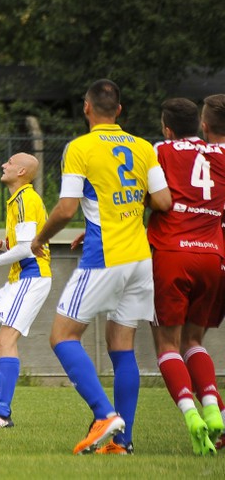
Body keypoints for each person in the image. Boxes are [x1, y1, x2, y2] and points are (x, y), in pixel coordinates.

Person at [30, 79, 172, 455]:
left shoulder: (80, 147)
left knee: (62, 336)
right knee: (120, 345)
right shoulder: (143, 147)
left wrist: (40, 239)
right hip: (140, 259)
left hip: (104, 258)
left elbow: (65, 208)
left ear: (86, 108)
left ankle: (104, 414)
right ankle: (122, 442)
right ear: (120, 111)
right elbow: (162, 200)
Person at [147, 97, 225, 456]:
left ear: (167, 127)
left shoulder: (160, 150)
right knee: (194, 341)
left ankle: (192, 415)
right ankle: (214, 407)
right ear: (201, 127)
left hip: (171, 253)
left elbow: (146, 195)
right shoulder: (220, 156)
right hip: (212, 255)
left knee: (166, 344)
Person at [0, 152, 52, 429]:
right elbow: (24, 241)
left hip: (32, 275)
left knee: (5, 340)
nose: (3, 164)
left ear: (22, 172)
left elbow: (28, 249)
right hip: (18, 276)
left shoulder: (27, 198)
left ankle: (2, 414)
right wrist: (2, 245)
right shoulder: (17, 199)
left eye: (10, 162)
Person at [196, 94, 225, 451]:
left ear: (204, 126)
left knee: (188, 341)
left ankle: (215, 412)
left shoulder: (196, 159)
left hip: (209, 256)